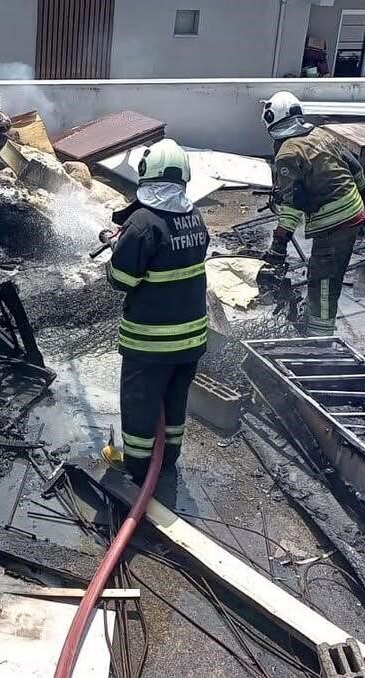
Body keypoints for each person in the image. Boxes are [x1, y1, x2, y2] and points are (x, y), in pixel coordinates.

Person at [102, 139, 209, 484]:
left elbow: (121, 279)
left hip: (149, 342)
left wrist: (117, 248)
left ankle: (136, 467)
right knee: (174, 400)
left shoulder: (143, 223)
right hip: (191, 340)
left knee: (140, 405)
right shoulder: (195, 217)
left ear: (147, 175)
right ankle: (168, 459)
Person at [261, 91, 365, 336]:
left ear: (270, 122)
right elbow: (356, 167)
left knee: (323, 280)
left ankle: (319, 339)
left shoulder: (287, 153)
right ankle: (316, 322)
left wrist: (279, 243)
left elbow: (292, 204)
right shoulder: (321, 134)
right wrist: (362, 199)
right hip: (354, 213)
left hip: (334, 224)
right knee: (333, 272)